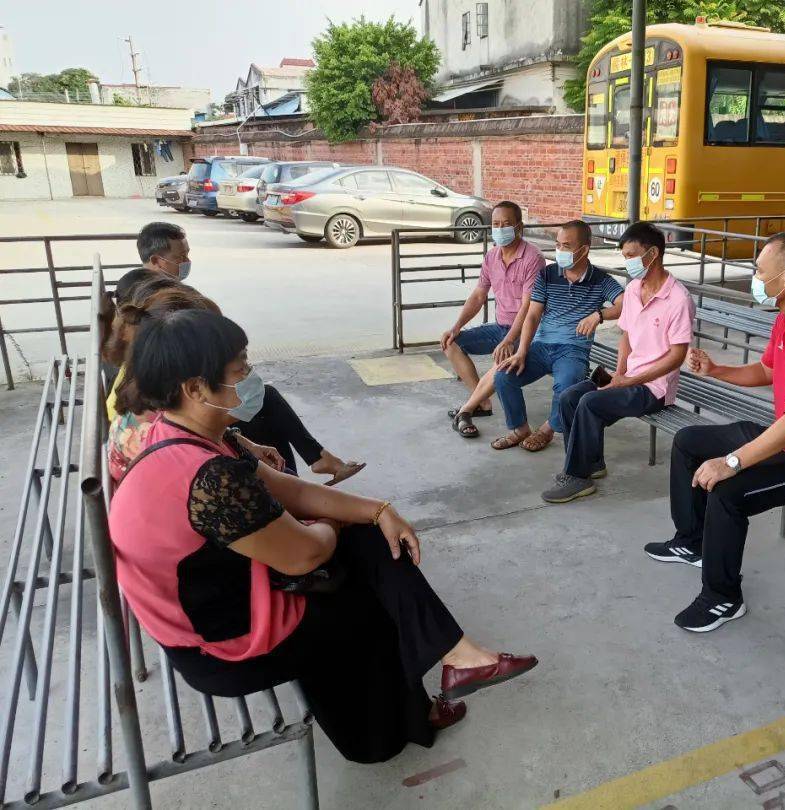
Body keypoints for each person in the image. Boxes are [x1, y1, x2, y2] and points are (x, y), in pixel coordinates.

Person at [108, 308, 538, 764]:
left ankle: (456, 662)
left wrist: (378, 510)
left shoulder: (192, 434)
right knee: (367, 601)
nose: (251, 378)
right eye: (240, 370)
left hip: (227, 594)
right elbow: (305, 555)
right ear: (195, 388)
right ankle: (384, 735)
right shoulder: (206, 477)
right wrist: (340, 523)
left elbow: (292, 489)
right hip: (219, 646)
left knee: (371, 543)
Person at [645, 232, 785, 632]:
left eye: (759, 271)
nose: (754, 278)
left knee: (728, 492)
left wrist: (733, 461)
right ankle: (692, 541)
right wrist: (718, 370)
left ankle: (722, 598)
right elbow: (767, 371)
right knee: (689, 442)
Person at [105, 274, 362, 486]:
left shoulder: (153, 397)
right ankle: (310, 466)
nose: (247, 373)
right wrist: (325, 518)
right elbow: (305, 545)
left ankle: (308, 468)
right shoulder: (184, 452)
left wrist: (242, 443)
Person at [542, 222, 694, 503]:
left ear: (653, 254)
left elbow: (677, 356)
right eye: (624, 256)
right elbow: (627, 335)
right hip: (629, 377)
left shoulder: (678, 299)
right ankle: (591, 463)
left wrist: (629, 381)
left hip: (654, 389)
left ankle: (578, 477)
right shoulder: (635, 289)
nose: (627, 263)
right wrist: (619, 373)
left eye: (631, 256)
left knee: (590, 403)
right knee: (570, 397)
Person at [492, 220, 624, 453]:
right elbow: (532, 316)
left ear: (584, 249)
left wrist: (599, 315)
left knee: (568, 383)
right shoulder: (547, 274)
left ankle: (547, 429)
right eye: (558, 245)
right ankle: (520, 428)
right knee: (503, 375)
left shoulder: (601, 280)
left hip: (573, 349)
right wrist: (521, 351)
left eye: (566, 246)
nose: (560, 251)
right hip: (542, 346)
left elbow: (625, 305)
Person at [443, 201, 545, 439]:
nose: (500, 229)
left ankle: (467, 409)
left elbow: (528, 307)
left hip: (527, 331)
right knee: (451, 343)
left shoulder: (533, 258)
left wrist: (510, 340)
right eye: (496, 224)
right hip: (500, 326)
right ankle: (483, 403)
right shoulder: (491, 256)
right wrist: (456, 327)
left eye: (506, 224)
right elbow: (479, 294)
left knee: (503, 359)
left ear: (519, 227)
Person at [114, 222, 191, 305]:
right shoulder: (156, 299)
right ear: (155, 260)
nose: (187, 261)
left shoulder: (130, 282)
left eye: (187, 254)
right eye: (180, 257)